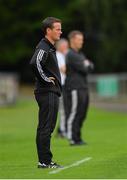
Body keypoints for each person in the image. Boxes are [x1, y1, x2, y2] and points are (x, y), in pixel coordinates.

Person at [30, 17, 63, 168]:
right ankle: (44, 161)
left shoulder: (49, 47)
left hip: (50, 91)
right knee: (46, 127)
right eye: (57, 29)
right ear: (48, 31)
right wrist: (46, 80)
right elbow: (35, 63)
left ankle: (44, 160)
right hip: (47, 91)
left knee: (46, 127)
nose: (60, 32)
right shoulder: (43, 46)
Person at [64, 30, 94, 145]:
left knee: (82, 113)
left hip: (83, 87)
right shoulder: (71, 54)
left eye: (82, 39)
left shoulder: (80, 54)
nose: (82, 42)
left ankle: (78, 137)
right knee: (74, 112)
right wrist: (86, 65)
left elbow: (90, 66)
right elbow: (85, 68)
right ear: (72, 40)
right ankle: (72, 138)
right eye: (79, 39)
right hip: (74, 88)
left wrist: (87, 65)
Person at [55, 39, 69, 137]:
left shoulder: (60, 56)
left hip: (61, 85)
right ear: (60, 46)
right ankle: (62, 130)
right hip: (61, 85)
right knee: (64, 109)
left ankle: (61, 129)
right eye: (65, 46)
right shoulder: (59, 56)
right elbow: (64, 70)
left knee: (63, 109)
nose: (67, 48)